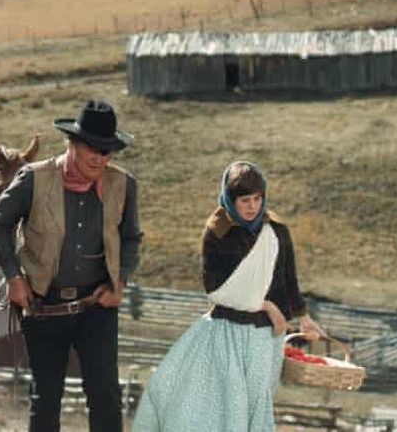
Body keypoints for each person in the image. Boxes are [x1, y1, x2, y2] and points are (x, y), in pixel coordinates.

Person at [132, 160, 326, 432]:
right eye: (245, 200)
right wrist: (266, 305)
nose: (252, 206)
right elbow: (215, 289)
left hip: (262, 334)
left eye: (258, 199)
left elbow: (288, 278)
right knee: (209, 400)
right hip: (225, 330)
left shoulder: (276, 232)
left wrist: (303, 316)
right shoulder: (218, 232)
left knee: (255, 403)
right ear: (230, 199)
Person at [0, 99, 143, 432]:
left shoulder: (123, 185)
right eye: (92, 149)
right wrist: (14, 277)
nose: (99, 158)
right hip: (45, 306)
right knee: (46, 397)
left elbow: (131, 239)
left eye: (106, 151)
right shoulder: (34, 178)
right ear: (71, 143)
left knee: (105, 395)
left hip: (96, 306)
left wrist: (121, 283)